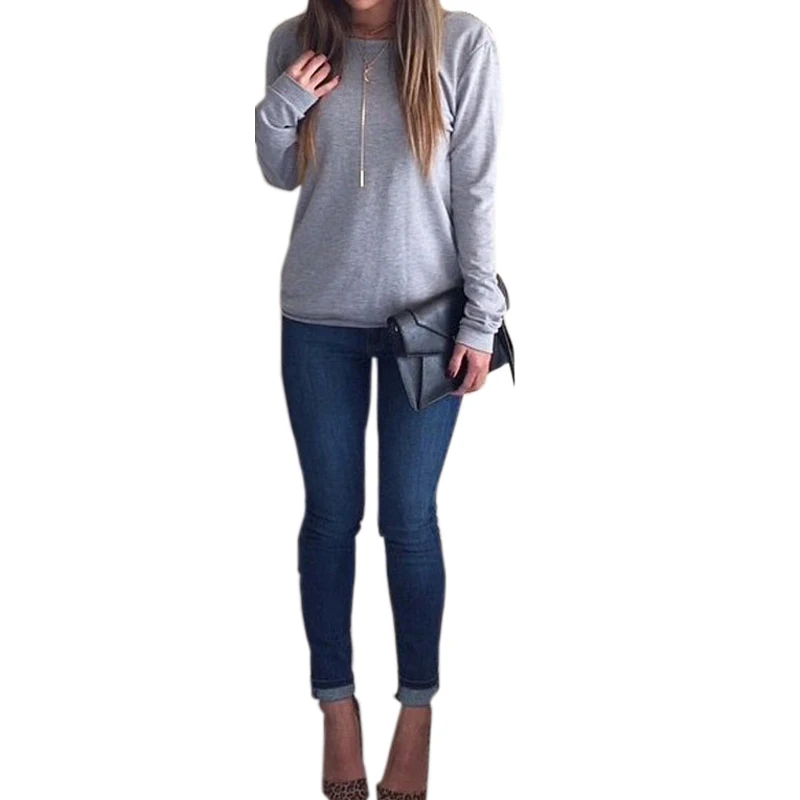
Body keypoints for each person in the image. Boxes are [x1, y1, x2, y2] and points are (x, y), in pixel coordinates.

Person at [254, 1, 507, 797]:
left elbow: (477, 187)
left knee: (409, 520)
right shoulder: (294, 41)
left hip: (428, 323)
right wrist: (284, 102)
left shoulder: (462, 43)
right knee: (331, 516)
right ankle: (336, 706)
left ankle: (417, 709)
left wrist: (482, 317)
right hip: (316, 321)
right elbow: (280, 170)